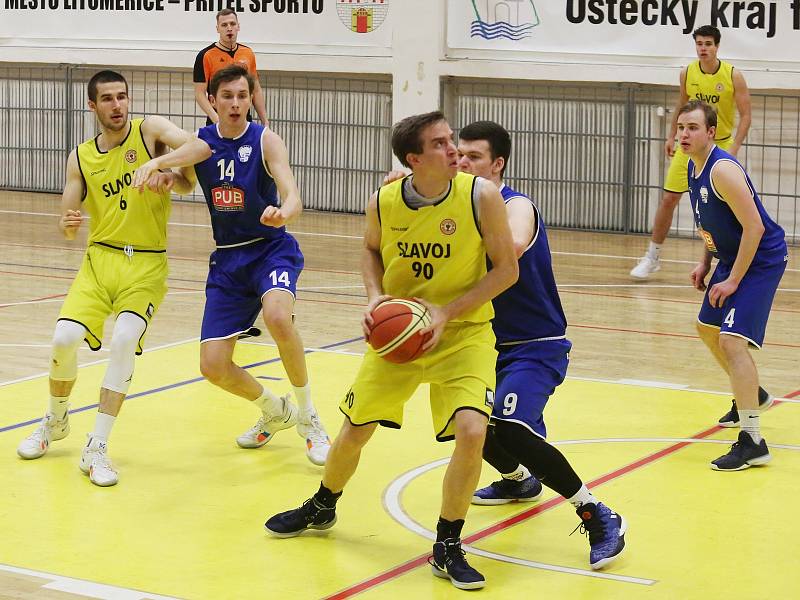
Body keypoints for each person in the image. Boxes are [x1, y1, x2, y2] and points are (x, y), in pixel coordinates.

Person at [264, 111, 519, 591]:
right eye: (442, 144)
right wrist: (375, 298)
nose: (454, 152)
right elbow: (369, 250)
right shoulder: (383, 202)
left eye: (454, 143)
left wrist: (447, 312)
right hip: (399, 335)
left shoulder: (481, 196)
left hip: (463, 334)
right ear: (414, 159)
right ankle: (323, 505)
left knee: (471, 431)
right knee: (355, 430)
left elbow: (507, 271)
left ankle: (447, 541)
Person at [385, 121, 627, 570]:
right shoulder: (455, 204)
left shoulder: (516, 207)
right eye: (458, 153)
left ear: (497, 164)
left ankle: (598, 514)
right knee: (468, 425)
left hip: (534, 343)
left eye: (474, 157)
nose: (461, 161)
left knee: (511, 425)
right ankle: (518, 480)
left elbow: (506, 252)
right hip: (483, 342)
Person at [133, 65, 331, 466]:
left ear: (250, 98)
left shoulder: (265, 140)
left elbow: (292, 193)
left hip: (270, 247)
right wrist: (167, 175)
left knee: (278, 317)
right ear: (213, 100)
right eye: (228, 96)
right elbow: (191, 173)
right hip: (228, 258)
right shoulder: (201, 142)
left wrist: (284, 211)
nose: (237, 103)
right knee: (213, 366)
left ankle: (309, 416)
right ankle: (275, 409)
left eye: (243, 95)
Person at [16, 70, 195, 487]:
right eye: (108, 99)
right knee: (62, 339)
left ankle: (97, 444)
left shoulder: (148, 131)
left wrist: (168, 170)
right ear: (92, 106)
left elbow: (193, 148)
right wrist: (69, 222)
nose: (118, 105)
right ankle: (56, 421)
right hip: (99, 262)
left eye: (122, 97)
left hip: (146, 264)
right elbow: (66, 224)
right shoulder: (79, 157)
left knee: (123, 341)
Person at [679, 100, 788, 470]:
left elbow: (755, 227)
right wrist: (705, 261)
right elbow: (710, 221)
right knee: (706, 327)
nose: (684, 134)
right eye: (681, 127)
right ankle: (752, 394)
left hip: (761, 259)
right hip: (731, 257)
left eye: (692, 128)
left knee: (731, 341)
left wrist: (734, 280)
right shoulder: (691, 169)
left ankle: (754, 440)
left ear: (710, 132)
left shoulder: (722, 169)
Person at [631, 25, 751, 280]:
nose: (703, 48)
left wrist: (734, 148)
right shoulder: (688, 72)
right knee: (668, 199)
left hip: (717, 146)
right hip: (689, 144)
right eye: (699, 44)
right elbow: (681, 105)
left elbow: (747, 115)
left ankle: (730, 257)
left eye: (708, 44)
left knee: (722, 206)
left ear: (717, 46)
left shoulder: (733, 75)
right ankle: (652, 256)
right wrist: (672, 134)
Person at [193, 9, 268, 126]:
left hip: (243, 119)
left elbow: (256, 89)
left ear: (238, 26)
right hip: (217, 119)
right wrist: (216, 119)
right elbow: (199, 94)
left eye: (232, 24)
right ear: (217, 28)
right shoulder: (205, 56)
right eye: (224, 25)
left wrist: (265, 121)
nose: (229, 28)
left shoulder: (248, 53)